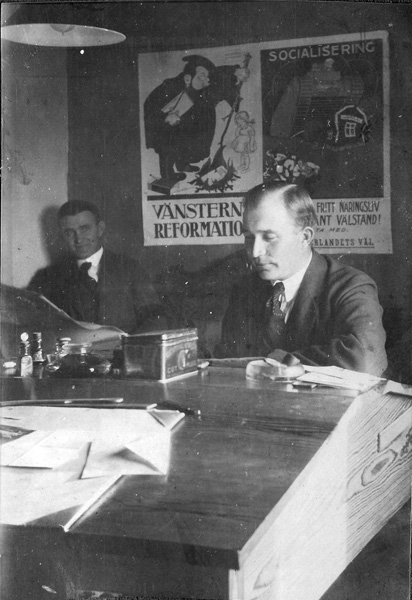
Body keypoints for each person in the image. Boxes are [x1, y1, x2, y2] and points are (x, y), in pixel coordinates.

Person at [217, 182, 387, 376]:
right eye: (249, 237)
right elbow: (228, 359)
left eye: (269, 237)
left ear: (305, 237)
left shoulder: (350, 286)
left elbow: (365, 361)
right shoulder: (245, 290)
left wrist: (282, 362)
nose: (255, 252)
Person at [28, 200, 165, 333]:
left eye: (85, 229)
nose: (78, 239)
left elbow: (155, 318)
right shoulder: (48, 278)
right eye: (69, 232)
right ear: (62, 236)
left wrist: (130, 345)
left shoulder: (130, 269)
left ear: (100, 229)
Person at [144, 54, 249, 182]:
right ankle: (167, 175)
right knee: (169, 147)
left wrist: (235, 71)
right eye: (202, 76)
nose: (207, 80)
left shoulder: (201, 86)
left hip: (186, 124)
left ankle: (182, 164)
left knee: (188, 142)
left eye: (207, 76)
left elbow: (216, 73)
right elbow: (149, 105)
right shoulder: (170, 86)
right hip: (168, 127)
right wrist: (165, 117)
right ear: (188, 78)